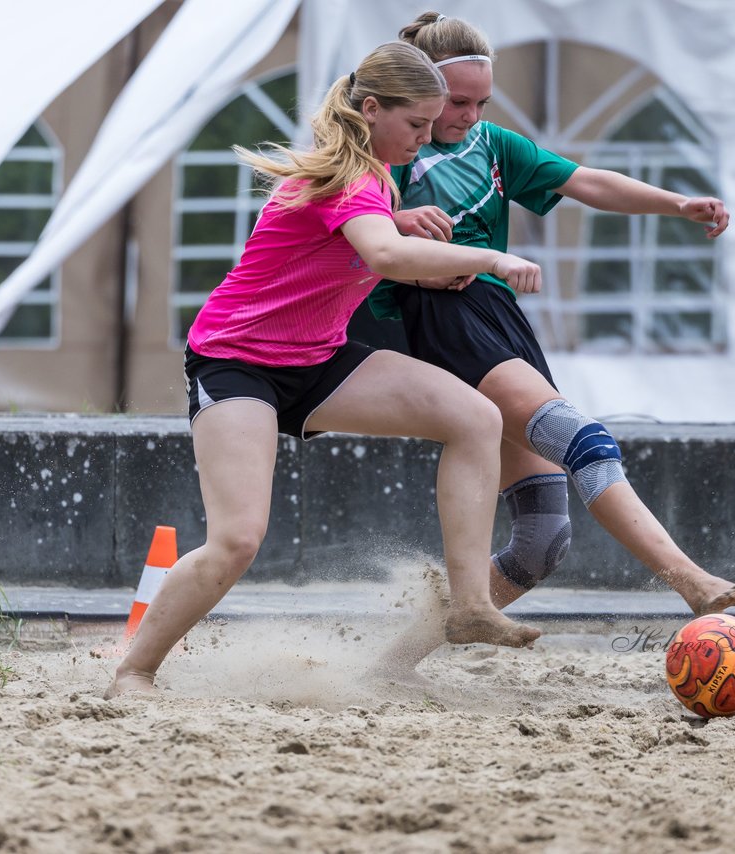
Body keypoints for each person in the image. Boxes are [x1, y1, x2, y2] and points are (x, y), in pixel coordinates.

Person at [105, 41, 547, 698]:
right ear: (371, 109)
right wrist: (485, 259)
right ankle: (134, 672)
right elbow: (385, 255)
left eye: (432, 125)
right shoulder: (350, 177)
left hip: (317, 359)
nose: (427, 139)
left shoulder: (372, 175)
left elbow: (368, 237)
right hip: (238, 363)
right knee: (237, 540)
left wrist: (415, 238)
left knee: (475, 417)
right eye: (417, 125)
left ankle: (470, 605)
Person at [360, 13, 735, 669]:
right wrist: (397, 219)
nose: (465, 115)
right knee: (583, 439)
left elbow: (587, 181)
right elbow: (345, 216)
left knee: (542, 539)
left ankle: (391, 663)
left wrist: (676, 204)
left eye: (479, 102)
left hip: (495, 316)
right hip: (438, 319)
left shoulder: (493, 146)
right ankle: (691, 581)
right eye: (455, 102)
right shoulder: (384, 150)